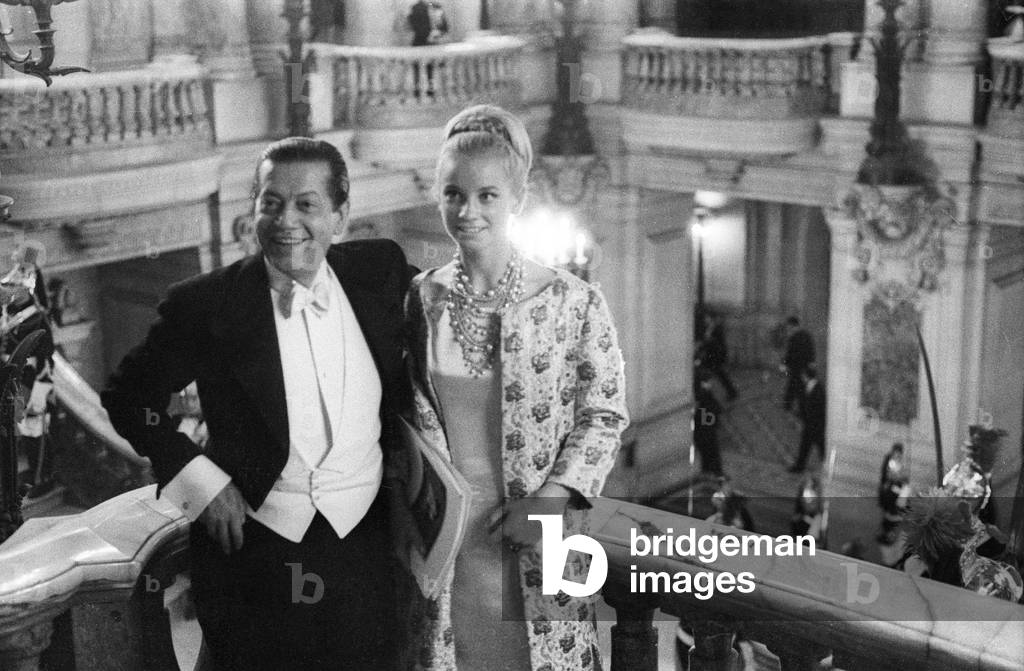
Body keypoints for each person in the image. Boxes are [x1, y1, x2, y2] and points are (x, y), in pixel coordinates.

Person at [102, 137, 415, 671]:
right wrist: (198, 479)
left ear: (340, 217)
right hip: (256, 551)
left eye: (306, 204)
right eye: (270, 202)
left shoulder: (378, 271)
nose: (285, 220)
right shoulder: (205, 304)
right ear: (253, 211)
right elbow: (128, 398)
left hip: (365, 544)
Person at [403, 104, 628, 670]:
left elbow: (604, 417)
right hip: (446, 559)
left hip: (538, 550)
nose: (468, 211)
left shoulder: (575, 302)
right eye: (454, 193)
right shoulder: (419, 301)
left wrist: (550, 503)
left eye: (487, 195)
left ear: (517, 199)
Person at [789, 365, 825, 473]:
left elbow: (816, 409)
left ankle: (799, 467)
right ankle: (799, 466)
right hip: (811, 425)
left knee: (820, 447)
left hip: (815, 425)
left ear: (805, 376)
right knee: (807, 446)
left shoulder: (817, 389)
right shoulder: (811, 386)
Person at [697, 310, 737, 401]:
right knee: (715, 374)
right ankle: (731, 392)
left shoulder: (716, 328)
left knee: (718, 374)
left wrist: (705, 342)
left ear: (711, 318)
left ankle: (732, 392)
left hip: (716, 355)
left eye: (706, 318)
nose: (705, 320)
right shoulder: (710, 328)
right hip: (711, 355)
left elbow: (717, 343)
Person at [780, 316, 815, 414]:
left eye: (788, 326)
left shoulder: (793, 337)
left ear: (792, 326)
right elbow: (811, 351)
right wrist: (811, 363)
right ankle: (789, 405)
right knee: (795, 386)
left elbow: (790, 353)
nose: (788, 329)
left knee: (796, 387)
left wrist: (784, 364)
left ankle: (794, 407)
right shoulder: (807, 335)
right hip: (804, 366)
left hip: (796, 367)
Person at [692, 369, 723, 476]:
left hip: (703, 430)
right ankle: (716, 475)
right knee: (712, 454)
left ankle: (709, 473)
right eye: (709, 381)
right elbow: (710, 412)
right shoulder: (704, 397)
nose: (711, 384)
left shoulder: (702, 395)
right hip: (706, 431)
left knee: (707, 456)